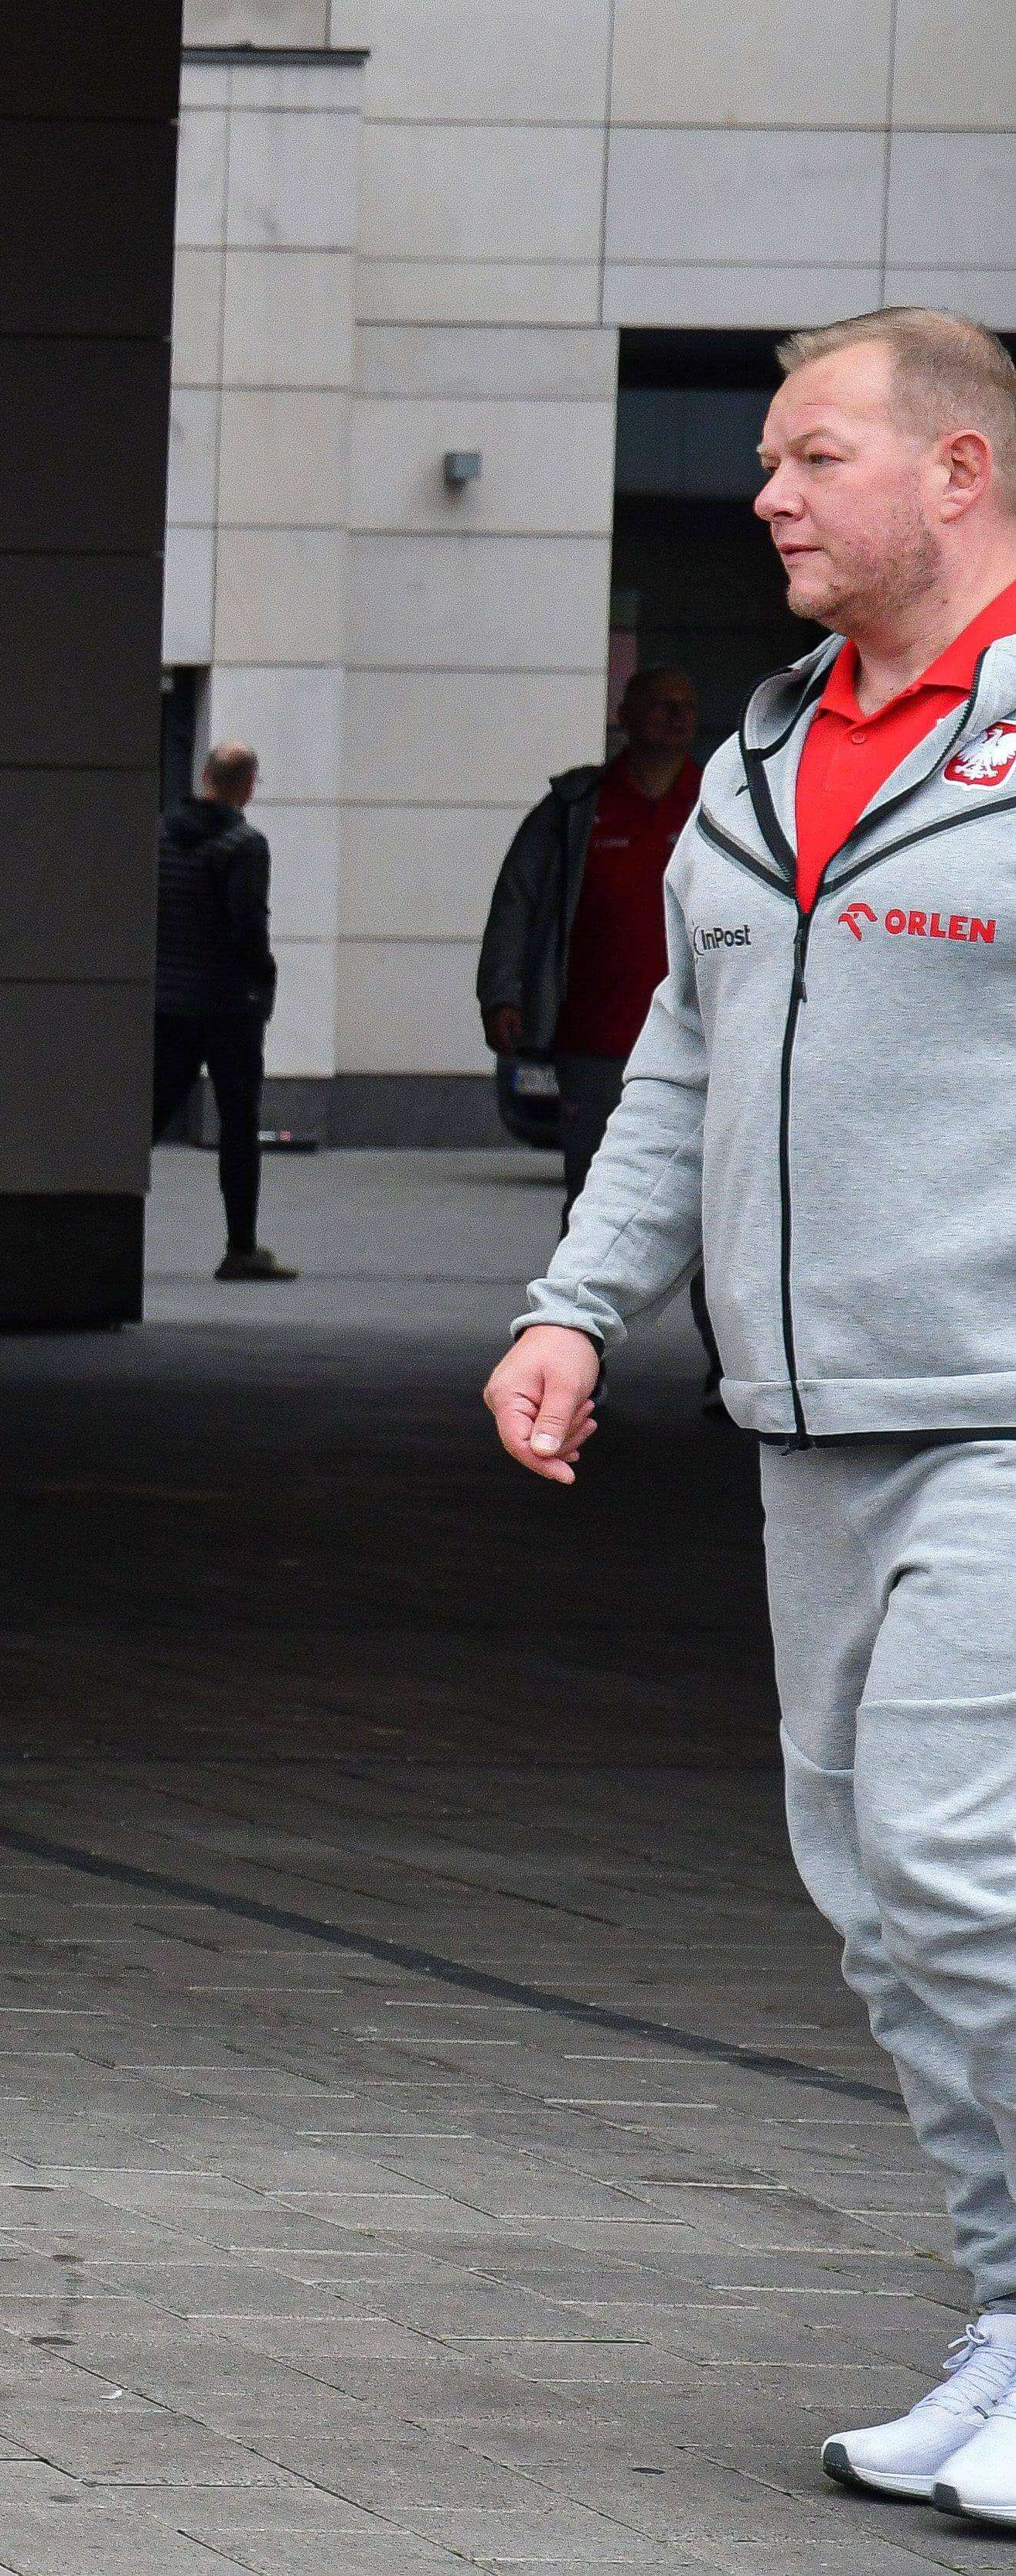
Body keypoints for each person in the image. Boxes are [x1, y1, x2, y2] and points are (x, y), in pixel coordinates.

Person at [482, 307, 1016, 2527]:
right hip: (808, 1421)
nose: (767, 496)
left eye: (811, 457)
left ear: (960, 475)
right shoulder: (756, 757)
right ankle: (1006, 2316)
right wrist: (577, 1307)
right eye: (770, 464)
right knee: (874, 1907)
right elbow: (681, 1075)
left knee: (958, 1868)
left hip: (1001, 1410)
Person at [480, 666, 709, 1204]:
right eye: (660, 703)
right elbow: (516, 900)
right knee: (593, 1194)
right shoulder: (575, 807)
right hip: (595, 1041)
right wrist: (500, 994)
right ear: (624, 717)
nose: (676, 715)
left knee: (706, 1207)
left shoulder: (723, 803)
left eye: (686, 705)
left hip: (701, 1041)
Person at [152, 741, 293, 1280]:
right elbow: (247, 927)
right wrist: (262, 981)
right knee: (238, 1125)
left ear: (206, 775)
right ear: (247, 785)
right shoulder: (244, 844)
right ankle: (241, 1247)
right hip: (229, 1006)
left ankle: (95, 1224)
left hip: (169, 1001)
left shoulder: (160, 833)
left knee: (148, 1115)